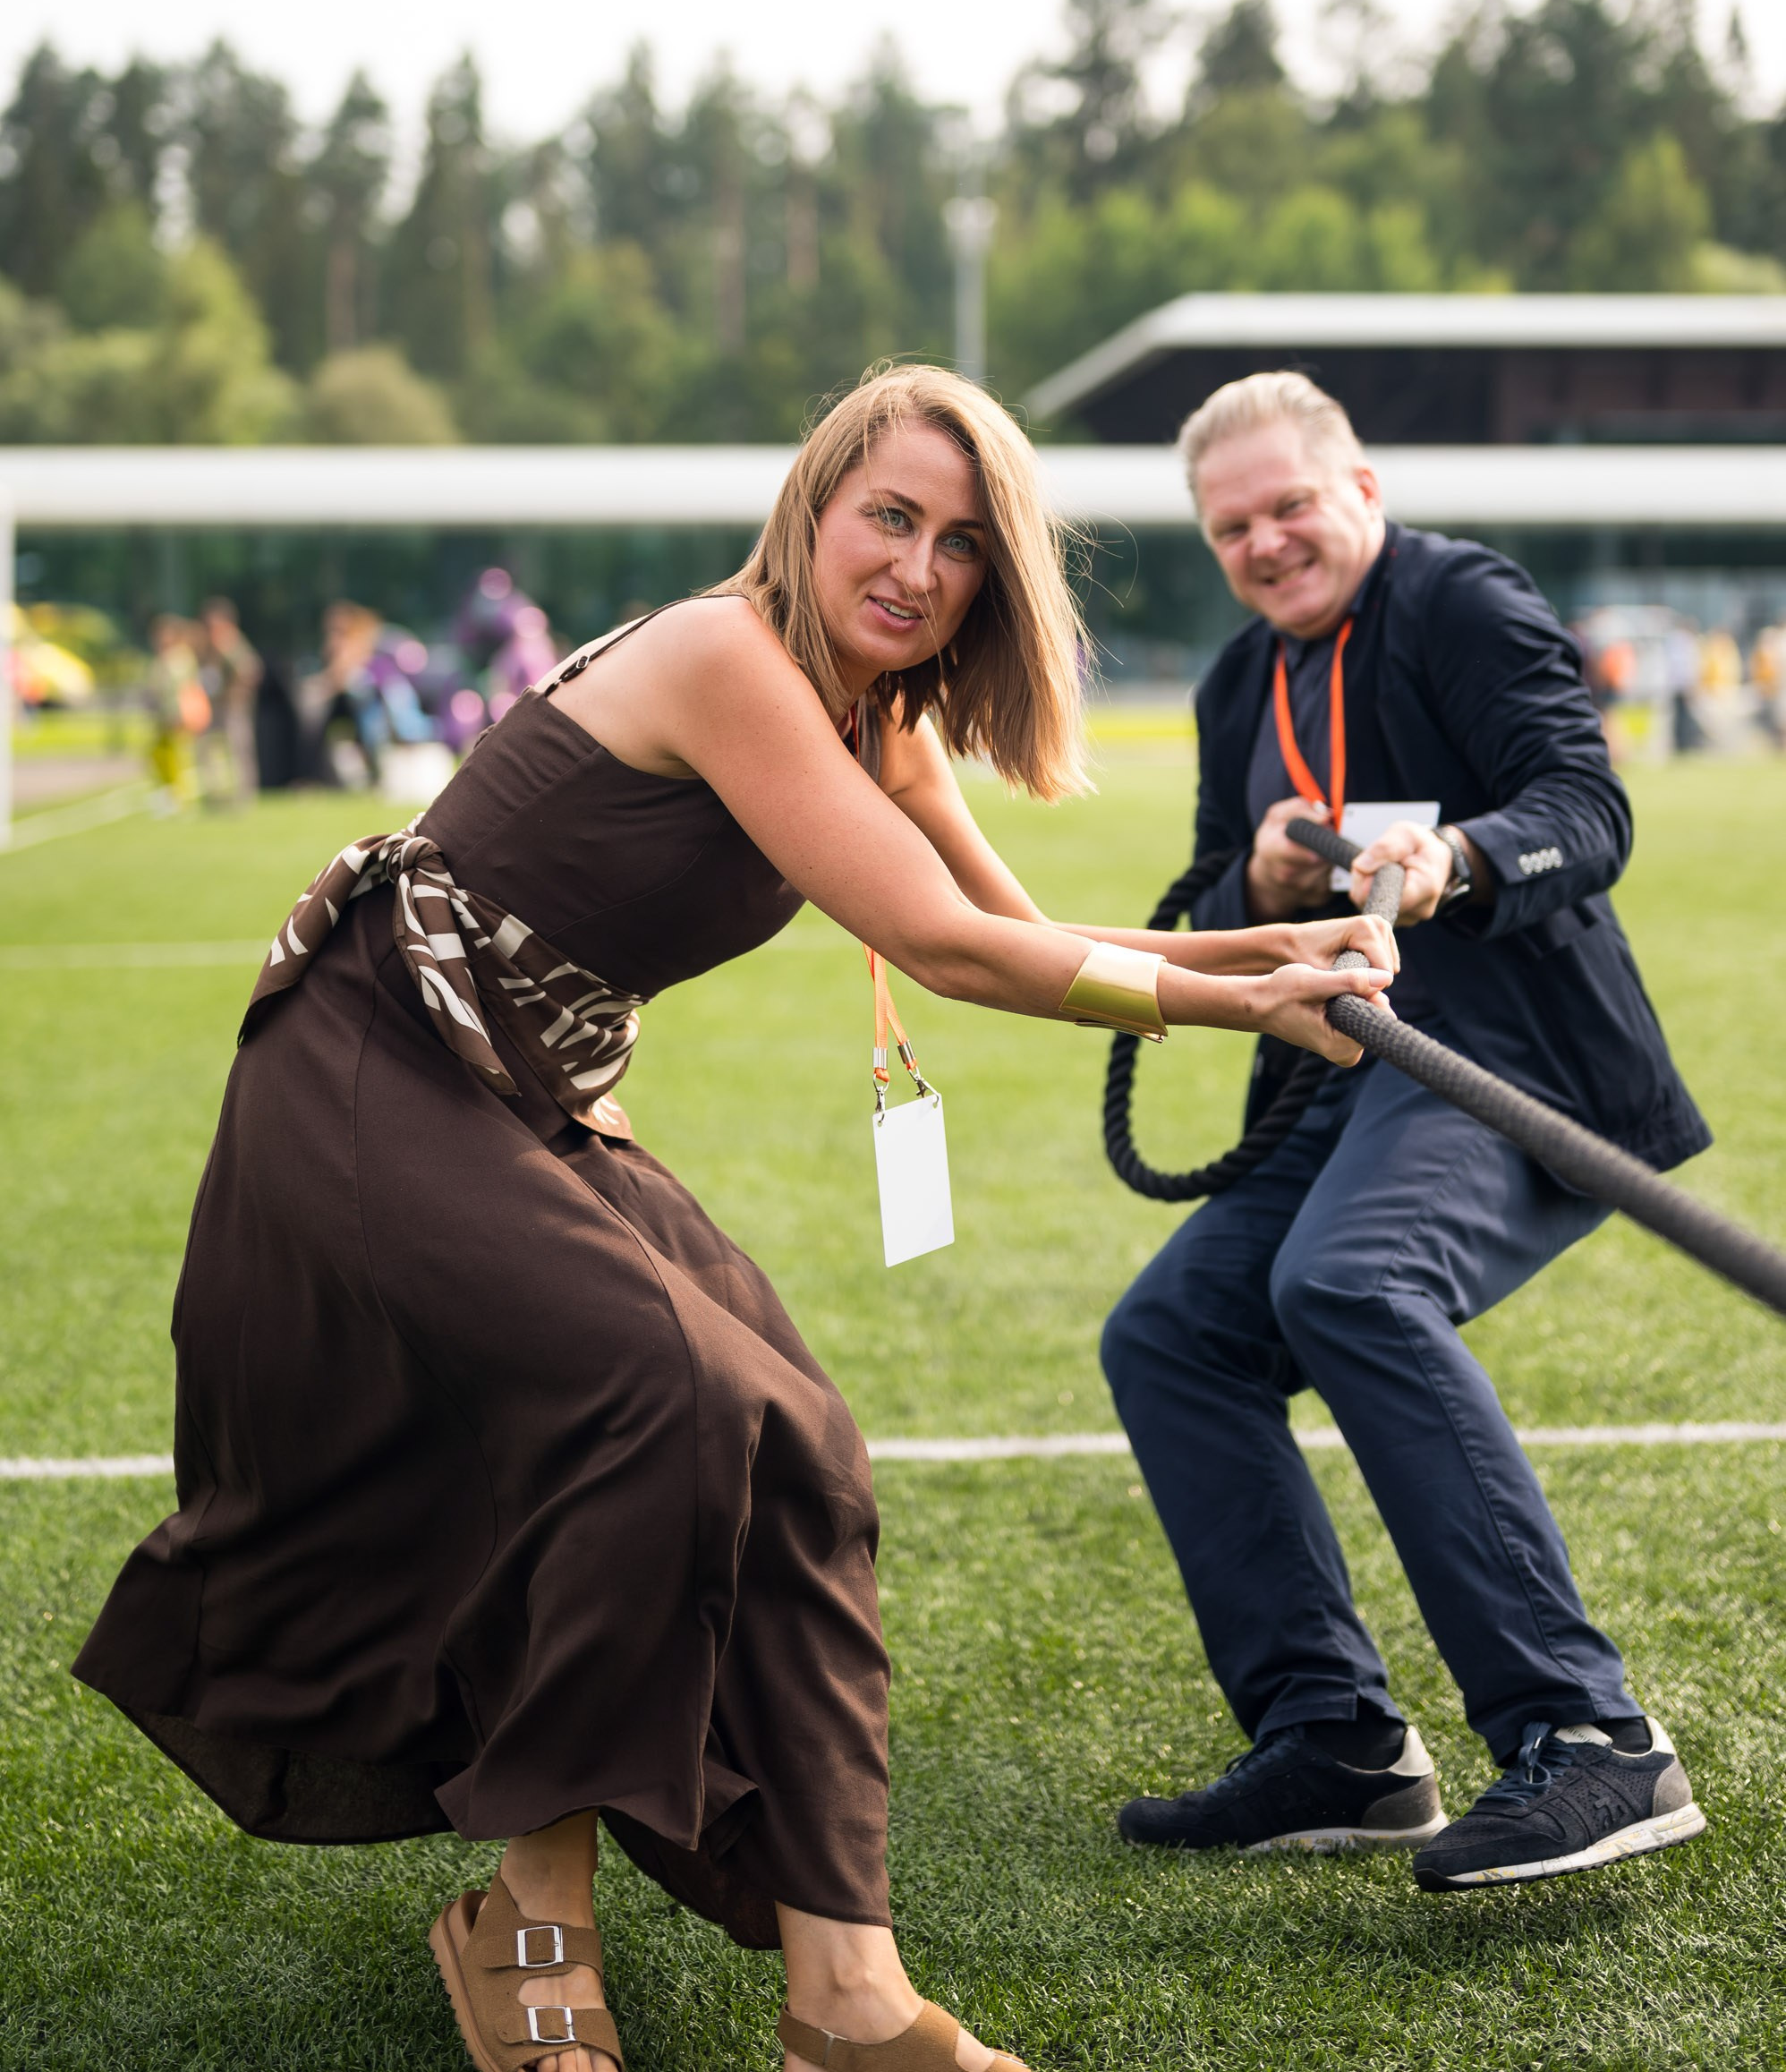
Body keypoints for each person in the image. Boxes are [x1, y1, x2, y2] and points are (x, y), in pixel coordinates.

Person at [76, 365, 1395, 2072]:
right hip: (372, 1073)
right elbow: (947, 952)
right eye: (892, 517)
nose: (919, 568)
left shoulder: (886, 716)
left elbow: (1023, 927)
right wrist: (1238, 1008)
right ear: (816, 506)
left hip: (524, 1096)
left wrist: (1273, 960)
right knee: (661, 1398)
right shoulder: (725, 658)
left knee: (806, 1445)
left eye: (965, 546)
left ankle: (846, 1996)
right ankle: (523, 1921)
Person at [1101, 371, 1712, 1893]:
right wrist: (1251, 879)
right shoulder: (1237, 681)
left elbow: (1588, 804)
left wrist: (1457, 858)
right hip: (1342, 1078)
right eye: (1231, 524)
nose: (1264, 542)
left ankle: (1591, 1740)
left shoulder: (1459, 602)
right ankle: (1338, 1744)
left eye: (1288, 506)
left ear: (1358, 488)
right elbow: (1224, 908)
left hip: (1512, 1066)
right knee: (1173, 1330)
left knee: (1350, 1282)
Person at [197, 597, 264, 807]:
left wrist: (237, 690)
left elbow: (250, 670)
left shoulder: (232, 643)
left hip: (233, 706)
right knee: (206, 747)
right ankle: (214, 792)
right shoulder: (208, 645)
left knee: (239, 749)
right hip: (215, 705)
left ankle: (245, 795)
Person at [142, 613, 209, 813]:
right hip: (162, 715)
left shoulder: (180, 657)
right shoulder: (164, 658)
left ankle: (180, 797)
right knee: (159, 755)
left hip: (178, 715)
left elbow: (183, 689)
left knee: (178, 757)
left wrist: (183, 713)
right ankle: (168, 793)